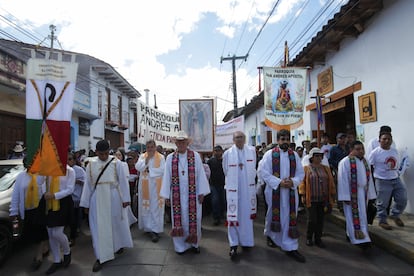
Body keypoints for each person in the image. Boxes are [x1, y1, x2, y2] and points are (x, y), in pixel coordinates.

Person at [80, 140, 133, 272]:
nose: (103, 156)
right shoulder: (90, 165)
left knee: (115, 223)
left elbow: (122, 182)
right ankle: (101, 256)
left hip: (113, 196)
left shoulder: (117, 163)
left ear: (108, 151)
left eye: (105, 154)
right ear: (96, 152)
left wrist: (126, 198)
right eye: (100, 154)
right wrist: (85, 203)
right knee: (98, 227)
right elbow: (88, 185)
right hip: (97, 199)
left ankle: (117, 245)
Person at [258, 129, 306, 263]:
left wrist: (293, 182)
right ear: (278, 140)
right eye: (282, 139)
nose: (285, 141)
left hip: (290, 192)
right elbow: (264, 172)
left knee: (290, 217)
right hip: (275, 191)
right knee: (272, 215)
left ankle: (290, 246)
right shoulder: (269, 155)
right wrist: (279, 183)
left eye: (287, 139)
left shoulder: (294, 155)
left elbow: (300, 173)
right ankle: (271, 235)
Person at [160, 130, 210, 255]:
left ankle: (194, 243)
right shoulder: (170, 158)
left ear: (187, 143)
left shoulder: (195, 156)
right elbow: (167, 177)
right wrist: (166, 195)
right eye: (179, 142)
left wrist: (202, 192)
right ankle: (180, 247)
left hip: (193, 194)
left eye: (183, 142)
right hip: (177, 195)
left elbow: (200, 175)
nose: (181, 144)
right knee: (179, 220)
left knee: (195, 219)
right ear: (176, 143)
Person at [9, 158, 49, 271]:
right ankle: (45, 248)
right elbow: (16, 195)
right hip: (27, 210)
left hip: (39, 208)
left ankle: (38, 257)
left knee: (39, 231)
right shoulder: (21, 177)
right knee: (32, 232)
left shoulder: (41, 175)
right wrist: (14, 211)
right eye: (27, 164)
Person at [223, 132, 257, 260]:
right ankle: (233, 244)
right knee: (233, 217)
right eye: (237, 137)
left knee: (246, 218)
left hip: (248, 191)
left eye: (242, 137)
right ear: (233, 139)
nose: (240, 140)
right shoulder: (228, 154)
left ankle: (247, 242)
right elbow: (225, 170)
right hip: (233, 191)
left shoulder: (252, 151)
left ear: (245, 139)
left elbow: (253, 168)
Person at [37, 165, 75, 274]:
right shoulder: (48, 169)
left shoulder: (69, 171)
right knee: (50, 233)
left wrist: (55, 195)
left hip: (62, 203)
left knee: (57, 233)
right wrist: (43, 170)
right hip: (48, 202)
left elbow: (70, 189)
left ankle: (67, 251)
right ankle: (57, 260)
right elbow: (39, 182)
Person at [338, 141, 376, 250]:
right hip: (351, 194)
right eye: (358, 149)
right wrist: (345, 196)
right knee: (353, 217)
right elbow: (343, 180)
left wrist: (371, 195)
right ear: (352, 150)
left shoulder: (365, 162)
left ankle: (351, 234)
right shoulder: (345, 162)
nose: (361, 151)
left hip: (363, 193)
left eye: (362, 149)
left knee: (362, 216)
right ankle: (361, 240)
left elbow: (369, 180)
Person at [368, 132, 407, 230]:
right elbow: (369, 166)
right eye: (384, 139)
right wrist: (372, 181)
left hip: (395, 179)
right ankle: (382, 221)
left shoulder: (394, 151)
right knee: (382, 203)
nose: (386, 141)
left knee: (402, 199)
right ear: (379, 140)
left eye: (389, 139)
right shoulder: (375, 153)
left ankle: (395, 215)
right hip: (382, 180)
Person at [299, 148, 335, 248]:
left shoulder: (325, 168)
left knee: (320, 220)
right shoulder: (306, 169)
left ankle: (318, 239)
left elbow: (331, 182)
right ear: (312, 157)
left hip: (323, 199)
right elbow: (302, 183)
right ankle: (309, 237)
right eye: (317, 156)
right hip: (311, 199)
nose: (319, 158)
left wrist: (332, 194)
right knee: (312, 219)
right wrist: (302, 194)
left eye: (320, 156)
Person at [135, 140, 166, 243]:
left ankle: (156, 230)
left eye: (152, 147)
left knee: (156, 208)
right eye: (148, 147)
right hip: (145, 187)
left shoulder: (161, 157)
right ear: (146, 148)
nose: (150, 149)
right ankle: (148, 228)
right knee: (146, 207)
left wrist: (150, 171)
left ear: (155, 147)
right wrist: (146, 161)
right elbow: (138, 167)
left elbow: (163, 170)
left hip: (156, 187)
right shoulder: (143, 156)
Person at [67, 153, 86, 247]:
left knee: (75, 217)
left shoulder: (79, 170)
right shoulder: (64, 170)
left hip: (76, 197)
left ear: (74, 160)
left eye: (70, 159)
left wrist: (77, 181)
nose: (68, 161)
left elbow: (85, 182)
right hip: (67, 197)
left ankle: (73, 235)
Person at [207, 145, 226, 226]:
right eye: (215, 150)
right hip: (213, 184)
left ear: (221, 151)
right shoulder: (210, 161)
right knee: (215, 201)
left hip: (223, 184)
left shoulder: (225, 160)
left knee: (223, 200)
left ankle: (222, 214)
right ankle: (216, 218)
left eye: (218, 150)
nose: (217, 152)